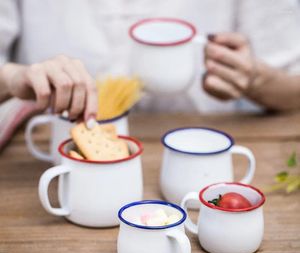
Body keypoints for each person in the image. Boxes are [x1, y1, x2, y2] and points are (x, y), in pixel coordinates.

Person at [0, 0, 300, 150]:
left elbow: (293, 84)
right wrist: (13, 77)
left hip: (198, 148)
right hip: (49, 149)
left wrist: (255, 78)